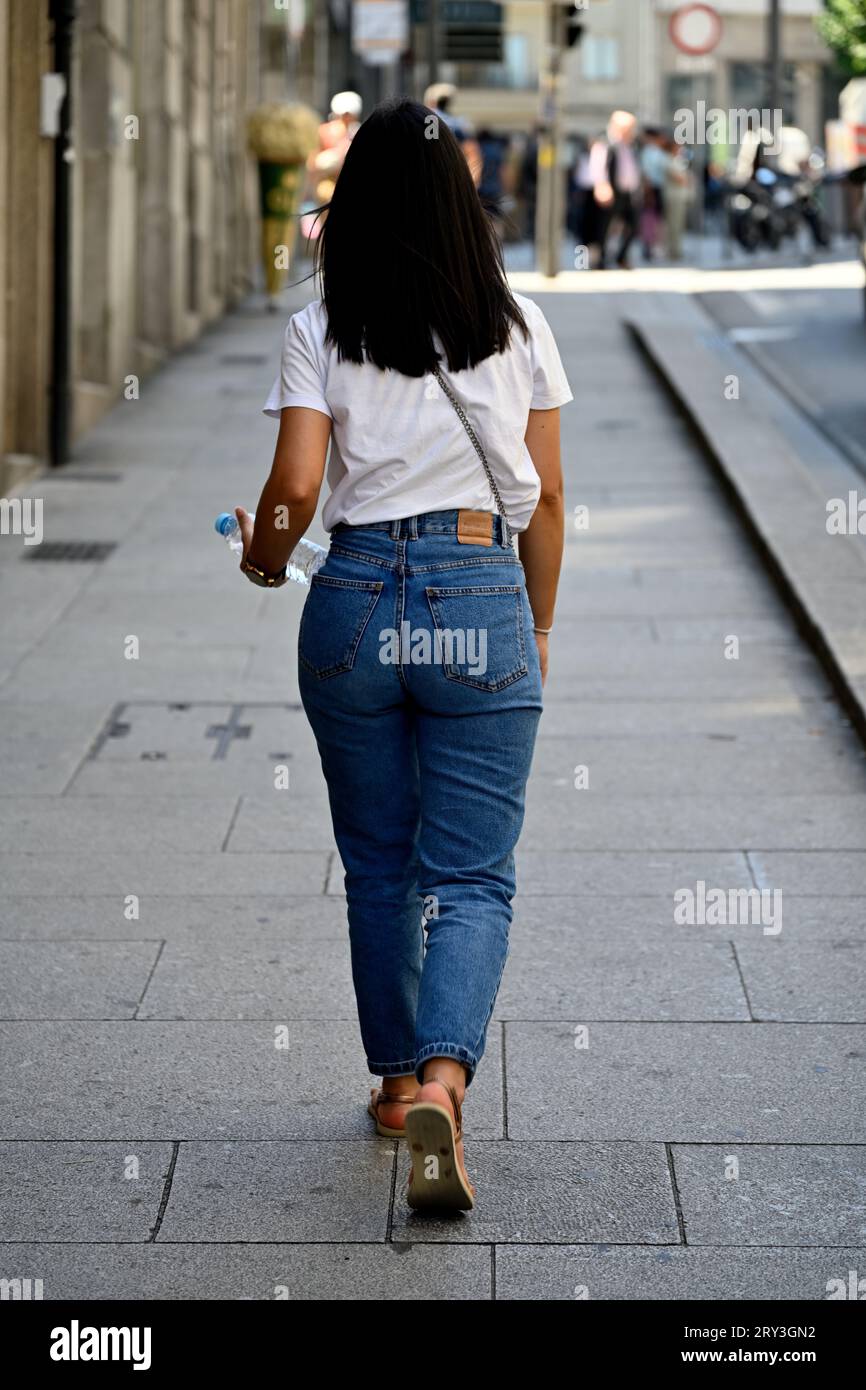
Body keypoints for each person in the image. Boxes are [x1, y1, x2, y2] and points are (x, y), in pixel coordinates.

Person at [236, 98, 572, 1212]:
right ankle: (443, 1079)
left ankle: (391, 1084)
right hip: (479, 585)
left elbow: (291, 492)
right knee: (472, 872)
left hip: (355, 597)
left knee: (378, 863)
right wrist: (532, 629)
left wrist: (262, 558)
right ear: (462, 202)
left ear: (356, 202)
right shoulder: (517, 324)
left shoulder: (319, 328)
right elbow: (550, 503)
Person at [588, 110, 642, 269]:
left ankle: (621, 256)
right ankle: (600, 260)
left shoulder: (631, 146)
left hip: (628, 192)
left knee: (633, 225)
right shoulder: (605, 143)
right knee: (604, 227)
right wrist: (602, 186)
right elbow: (598, 167)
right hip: (612, 191)